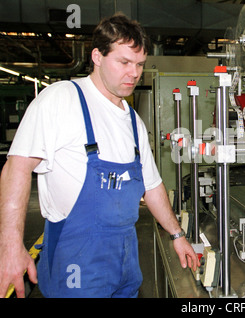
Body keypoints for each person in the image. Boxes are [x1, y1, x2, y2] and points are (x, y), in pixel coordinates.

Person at [0, 13, 199, 298]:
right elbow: (16, 167)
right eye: (124, 62)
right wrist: (10, 245)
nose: (134, 73)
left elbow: (151, 186)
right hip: (76, 261)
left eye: (140, 64)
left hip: (125, 262)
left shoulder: (133, 121)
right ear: (97, 56)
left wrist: (177, 235)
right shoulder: (62, 99)